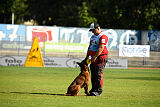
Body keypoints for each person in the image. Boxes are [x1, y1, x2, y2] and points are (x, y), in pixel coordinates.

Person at [82, 23, 108, 96]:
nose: (92, 32)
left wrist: (95, 57)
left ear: (98, 28)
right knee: (93, 74)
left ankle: (98, 90)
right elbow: (90, 47)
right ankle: (93, 89)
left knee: (98, 74)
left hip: (100, 57)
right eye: (91, 30)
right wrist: (87, 56)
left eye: (93, 30)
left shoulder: (103, 36)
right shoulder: (93, 37)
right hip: (93, 58)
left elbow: (101, 48)